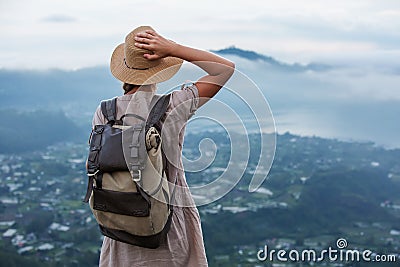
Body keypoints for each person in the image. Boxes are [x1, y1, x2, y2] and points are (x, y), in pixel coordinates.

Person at [91, 25, 235, 267]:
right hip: (168, 224)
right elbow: (225, 70)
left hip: (122, 222)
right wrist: (173, 48)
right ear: (160, 69)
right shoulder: (173, 106)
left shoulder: (105, 112)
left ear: (124, 72)